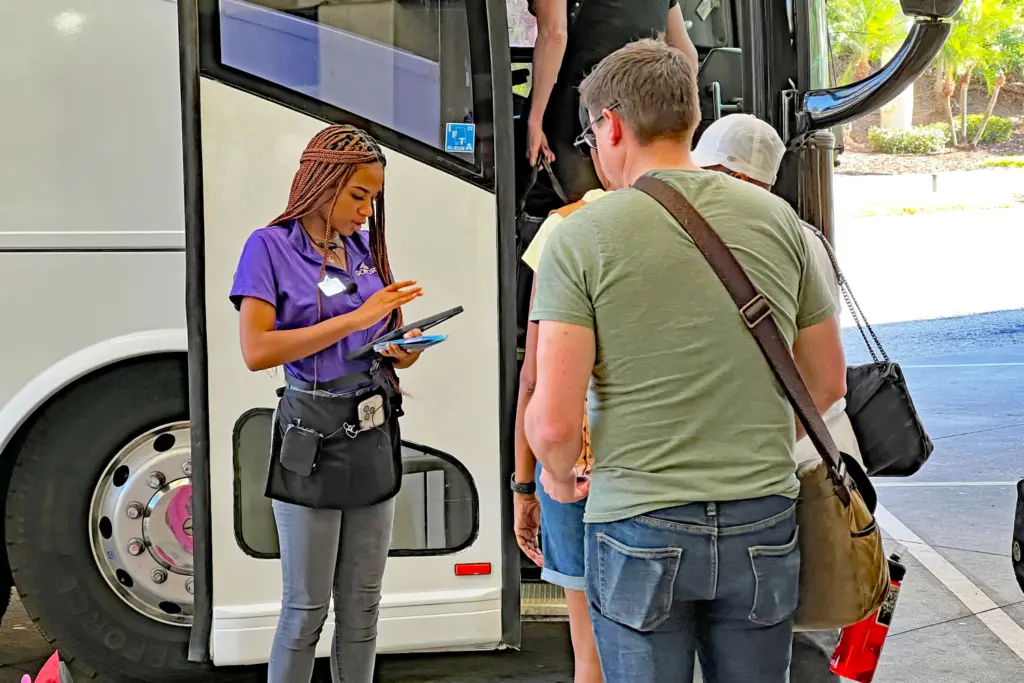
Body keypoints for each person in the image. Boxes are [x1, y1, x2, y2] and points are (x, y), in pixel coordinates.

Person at [524, 39, 847, 683]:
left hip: (638, 525)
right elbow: (827, 381)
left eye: (591, 139)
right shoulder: (784, 223)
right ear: (689, 120)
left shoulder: (581, 236)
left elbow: (555, 423)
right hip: (762, 515)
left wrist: (557, 480)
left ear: (610, 125)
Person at [230, 124, 425, 683]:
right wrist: (359, 318)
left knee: (363, 609)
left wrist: (399, 347)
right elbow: (256, 350)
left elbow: (374, 340)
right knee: (306, 610)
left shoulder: (362, 248)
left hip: (371, 428)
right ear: (322, 182)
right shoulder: (267, 247)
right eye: (359, 195)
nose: (367, 211)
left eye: (374, 198)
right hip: (311, 436)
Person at [693, 112, 864, 683]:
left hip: (791, 468)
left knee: (789, 637)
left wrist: (750, 444)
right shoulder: (800, 234)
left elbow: (824, 379)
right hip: (809, 457)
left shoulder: (707, 233)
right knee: (793, 627)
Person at [513, 137, 616, 683]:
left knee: (590, 658)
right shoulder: (693, 221)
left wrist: (525, 487)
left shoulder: (564, 226)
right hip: (657, 471)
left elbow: (535, 375)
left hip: (572, 467)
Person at [526, 0, 697, 205]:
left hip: (581, 113)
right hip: (647, 109)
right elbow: (686, 54)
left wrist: (535, 121)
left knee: (577, 208)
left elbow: (554, 34)